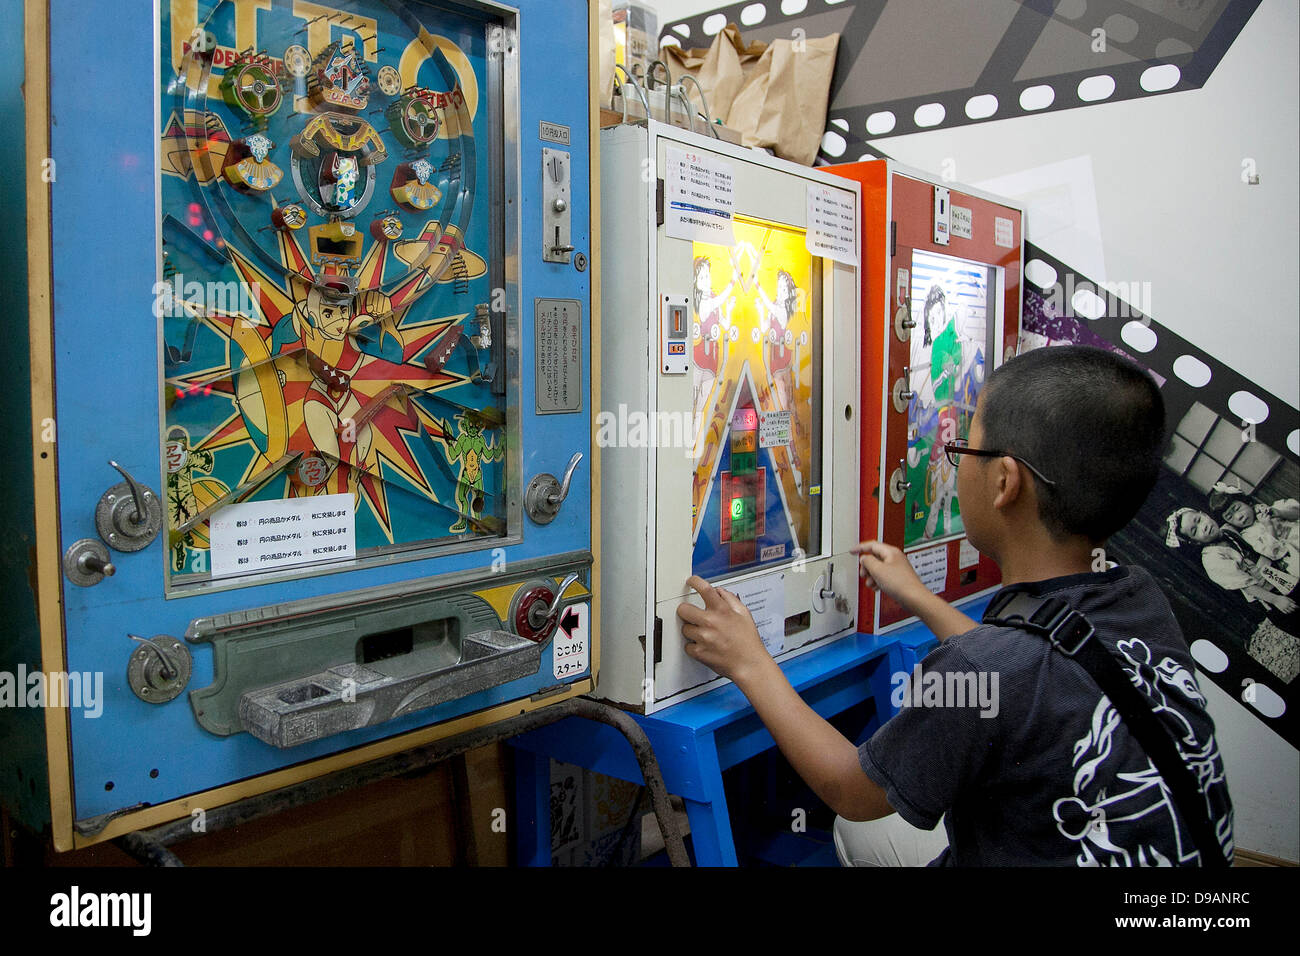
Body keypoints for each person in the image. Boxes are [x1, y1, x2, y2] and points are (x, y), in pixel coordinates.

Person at [676, 345, 1233, 866]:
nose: (957, 461)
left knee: (861, 828)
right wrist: (918, 596)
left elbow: (850, 789)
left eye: (964, 447)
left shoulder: (984, 667)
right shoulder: (1138, 597)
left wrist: (750, 662)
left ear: (1004, 482)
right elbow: (1041, 663)